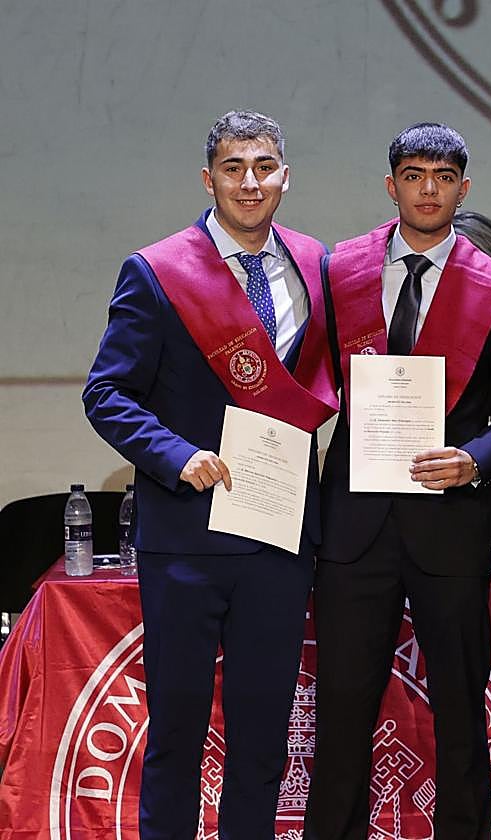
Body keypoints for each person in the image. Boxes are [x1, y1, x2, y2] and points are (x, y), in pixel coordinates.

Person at [83, 110, 338, 838]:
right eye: (233, 168)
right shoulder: (159, 270)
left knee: (262, 740)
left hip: (280, 538)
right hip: (188, 539)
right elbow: (105, 393)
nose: (250, 182)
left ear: (285, 176)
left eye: (264, 166)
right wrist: (175, 454)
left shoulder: (316, 264)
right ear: (209, 179)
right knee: (178, 735)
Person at [304, 122, 491, 840]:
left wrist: (475, 460)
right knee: (341, 709)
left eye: (442, 176)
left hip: (451, 525)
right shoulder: (341, 272)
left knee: (461, 709)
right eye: (413, 174)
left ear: (464, 188)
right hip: (355, 525)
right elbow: (308, 386)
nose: (427, 188)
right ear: (391, 183)